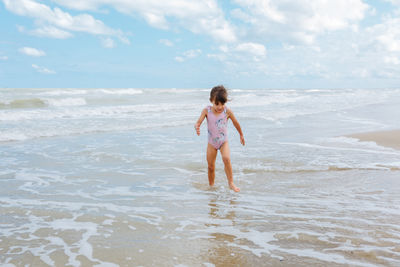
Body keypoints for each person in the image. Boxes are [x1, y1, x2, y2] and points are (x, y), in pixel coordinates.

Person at [194, 85, 245, 192]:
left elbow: (236, 123)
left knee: (226, 159)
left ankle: (231, 183)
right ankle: (211, 186)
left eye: (222, 104)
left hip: (223, 142)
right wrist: (197, 126)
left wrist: (241, 134)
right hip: (211, 143)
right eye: (217, 104)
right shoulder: (206, 111)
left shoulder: (227, 111)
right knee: (211, 166)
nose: (220, 107)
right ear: (211, 100)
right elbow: (199, 122)